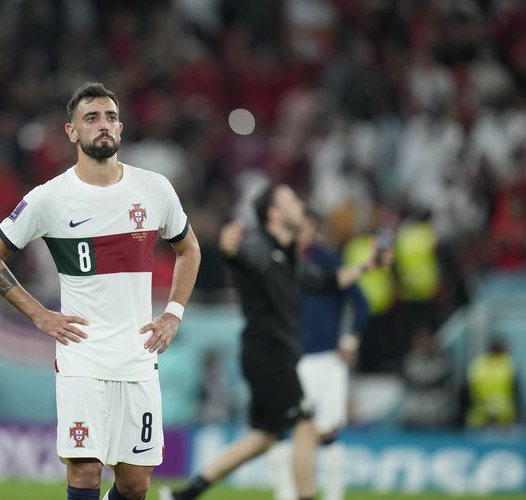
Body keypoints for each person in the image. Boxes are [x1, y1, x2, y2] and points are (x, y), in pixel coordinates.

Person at [0, 82, 200, 500]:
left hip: (138, 355)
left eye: (111, 117)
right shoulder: (49, 198)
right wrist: (40, 314)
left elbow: (189, 249)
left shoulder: (154, 188)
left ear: (121, 128)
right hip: (82, 354)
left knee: (135, 483)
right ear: (71, 132)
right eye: (92, 118)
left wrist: (173, 314)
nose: (104, 125)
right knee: (85, 472)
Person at [161, 183, 387, 500]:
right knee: (305, 422)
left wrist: (367, 265)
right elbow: (242, 258)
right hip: (269, 354)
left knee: (263, 438)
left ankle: (185, 494)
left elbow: (325, 281)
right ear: (274, 214)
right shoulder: (260, 247)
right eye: (291, 200)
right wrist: (229, 250)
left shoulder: (288, 256)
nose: (300, 204)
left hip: (269, 354)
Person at [269, 211, 370, 500]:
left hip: (327, 359)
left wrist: (351, 339)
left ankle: (333, 495)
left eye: (308, 226)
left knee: (328, 433)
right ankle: (285, 493)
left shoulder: (329, 261)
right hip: (290, 359)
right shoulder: (280, 261)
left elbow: (362, 303)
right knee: (284, 431)